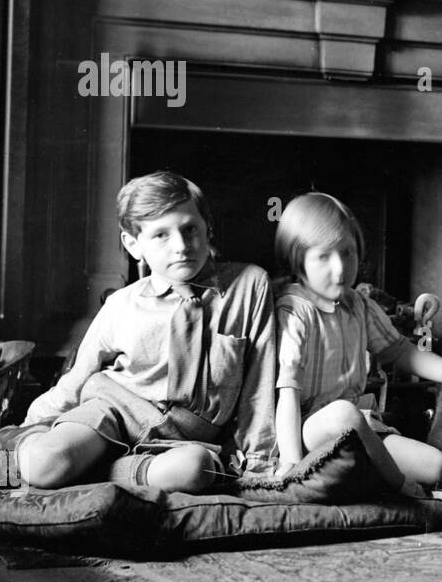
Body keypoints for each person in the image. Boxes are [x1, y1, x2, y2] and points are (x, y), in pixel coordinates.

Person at [16, 171, 278, 491]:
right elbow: (79, 376)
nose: (181, 246)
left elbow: (259, 383)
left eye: (189, 228)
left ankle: (103, 470)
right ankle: (18, 450)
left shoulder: (249, 285)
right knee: (44, 464)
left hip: (182, 440)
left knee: (195, 469)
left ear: (207, 227)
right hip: (112, 409)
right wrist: (28, 423)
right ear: (133, 245)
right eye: (161, 235)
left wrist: (259, 458)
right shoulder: (122, 304)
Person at [272, 192, 442, 501]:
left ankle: (359, 477)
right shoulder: (294, 311)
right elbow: (287, 391)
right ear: (297, 260)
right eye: (324, 257)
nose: (340, 268)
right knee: (343, 413)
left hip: (362, 428)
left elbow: (399, 351)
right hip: (309, 430)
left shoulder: (360, 305)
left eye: (348, 253)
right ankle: (403, 490)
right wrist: (290, 462)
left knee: (436, 465)